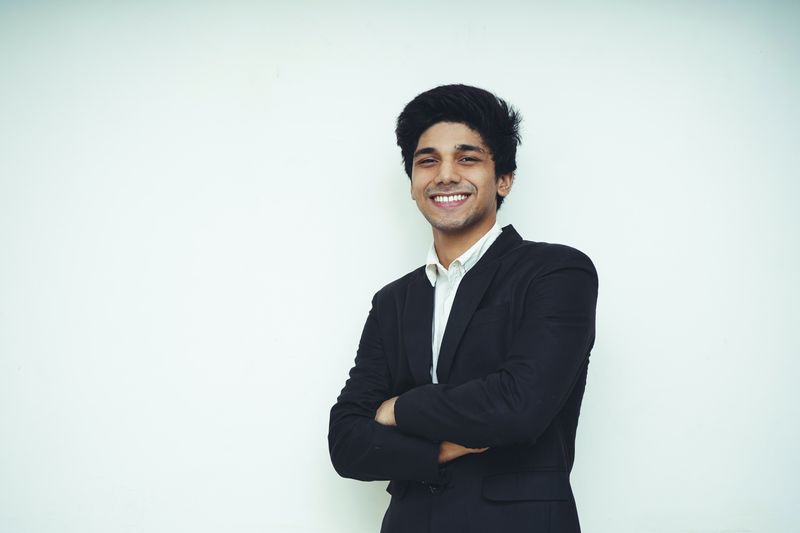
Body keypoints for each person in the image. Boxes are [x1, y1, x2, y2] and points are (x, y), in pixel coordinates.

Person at [328, 84, 598, 533]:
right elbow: (347, 442)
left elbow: (519, 406)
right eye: (427, 160)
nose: (445, 175)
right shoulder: (393, 301)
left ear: (504, 178)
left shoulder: (556, 273)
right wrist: (436, 450)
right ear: (413, 183)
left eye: (467, 158)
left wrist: (396, 410)